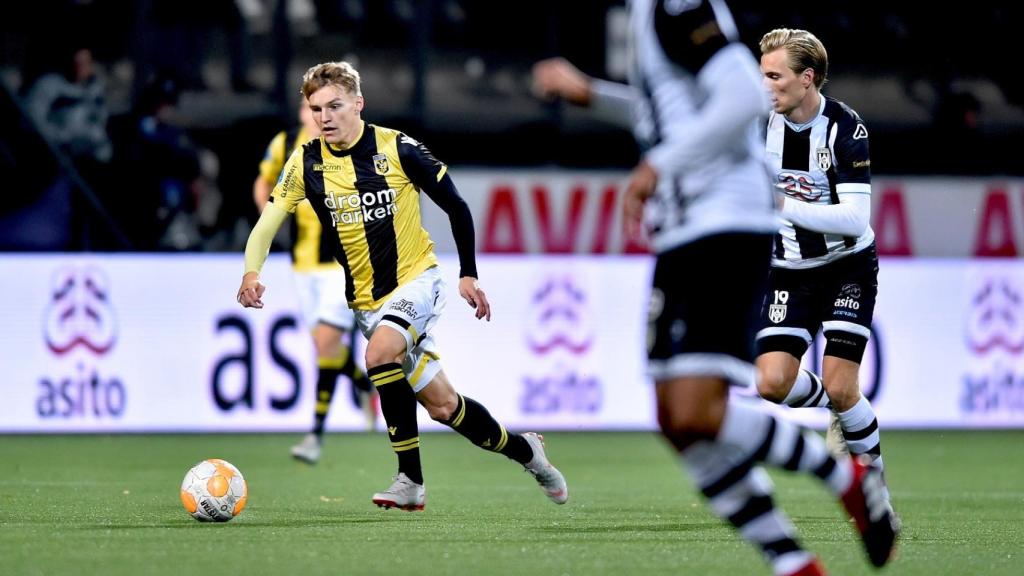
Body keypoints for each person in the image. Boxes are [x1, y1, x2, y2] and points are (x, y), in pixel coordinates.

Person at [533, 2, 897, 574]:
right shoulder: (645, 15)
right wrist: (589, 94)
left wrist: (659, 166)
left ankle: (843, 479)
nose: (767, 83)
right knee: (679, 418)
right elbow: (675, 117)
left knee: (698, 411)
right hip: (692, 227)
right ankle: (796, 558)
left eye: (777, 74)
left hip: (726, 220)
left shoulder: (678, 7)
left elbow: (738, 98)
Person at [237, 61, 568, 510]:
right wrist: (251, 272)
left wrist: (467, 272)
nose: (325, 117)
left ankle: (409, 480)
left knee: (378, 355)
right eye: (316, 109)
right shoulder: (306, 161)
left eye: (335, 106)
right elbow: (266, 224)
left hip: (417, 282)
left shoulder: (397, 148)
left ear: (358, 104)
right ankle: (528, 452)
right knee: (444, 407)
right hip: (367, 304)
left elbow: (456, 206)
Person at [755, 28, 891, 503]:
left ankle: (874, 484)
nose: (765, 85)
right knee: (771, 384)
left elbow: (855, 219)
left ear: (807, 78)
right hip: (786, 269)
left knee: (842, 384)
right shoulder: (755, 125)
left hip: (846, 265)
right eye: (762, 75)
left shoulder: (844, 128)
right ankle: (835, 406)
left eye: (775, 76)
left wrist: (778, 204)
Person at [253, 101, 377, 464]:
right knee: (327, 349)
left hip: (342, 264)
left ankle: (315, 434)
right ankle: (362, 383)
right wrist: (270, 220)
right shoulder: (286, 143)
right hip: (302, 265)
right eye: (313, 109)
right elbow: (263, 184)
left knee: (325, 343)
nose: (320, 117)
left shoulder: (346, 145)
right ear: (303, 113)